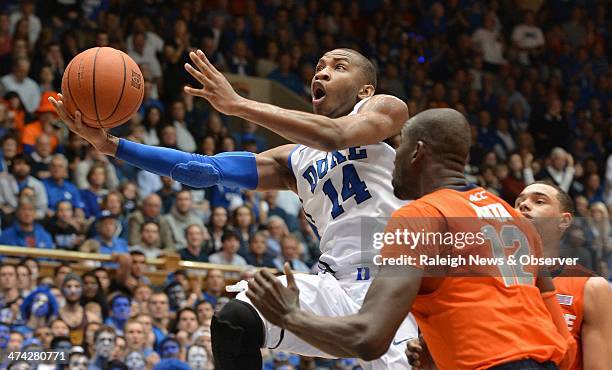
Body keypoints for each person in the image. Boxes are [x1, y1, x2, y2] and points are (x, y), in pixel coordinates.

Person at [50, 47, 416, 369]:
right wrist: (111, 145)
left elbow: (335, 136)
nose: (322, 72)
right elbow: (204, 169)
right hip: (335, 285)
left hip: (394, 286)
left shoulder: (384, 109)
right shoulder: (294, 159)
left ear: (365, 88)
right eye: (320, 65)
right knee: (235, 319)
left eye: (339, 67)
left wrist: (238, 105)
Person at [247, 109, 576, 370]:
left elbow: (369, 338)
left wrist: (290, 315)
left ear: (417, 152)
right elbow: (561, 337)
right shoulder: (514, 218)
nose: (394, 159)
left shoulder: (418, 217)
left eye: (399, 146)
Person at [515, 183, 611, 369]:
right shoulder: (487, 280)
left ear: (564, 220)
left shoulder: (591, 287)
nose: (524, 205)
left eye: (539, 201)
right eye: (518, 202)